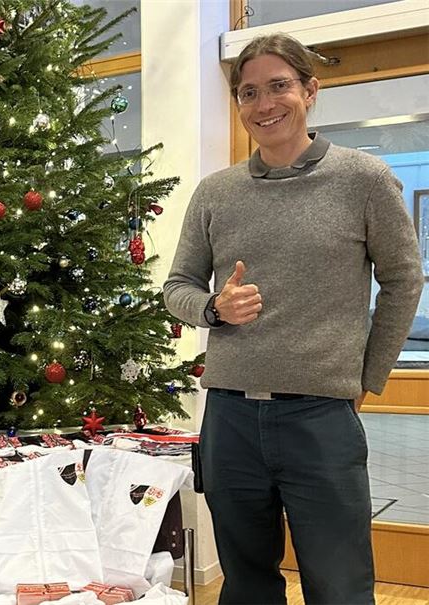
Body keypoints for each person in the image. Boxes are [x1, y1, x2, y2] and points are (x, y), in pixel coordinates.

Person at [164, 33, 422, 605]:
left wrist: (367, 378)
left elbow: (405, 280)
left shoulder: (364, 179)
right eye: (248, 92)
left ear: (310, 90)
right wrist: (212, 308)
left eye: (278, 86)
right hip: (229, 416)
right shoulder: (216, 193)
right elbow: (176, 287)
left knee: (339, 586)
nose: (263, 104)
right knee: (246, 585)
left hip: (321, 418)